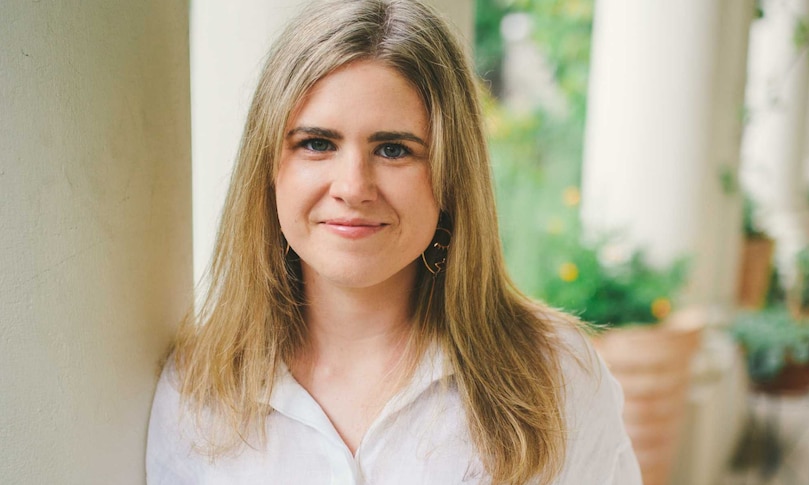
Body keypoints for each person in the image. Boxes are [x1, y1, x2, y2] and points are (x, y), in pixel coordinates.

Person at [146, 0, 642, 483]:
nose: (353, 187)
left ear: (452, 176)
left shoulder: (556, 375)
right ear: (268, 169)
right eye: (317, 143)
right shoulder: (198, 386)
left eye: (393, 149)